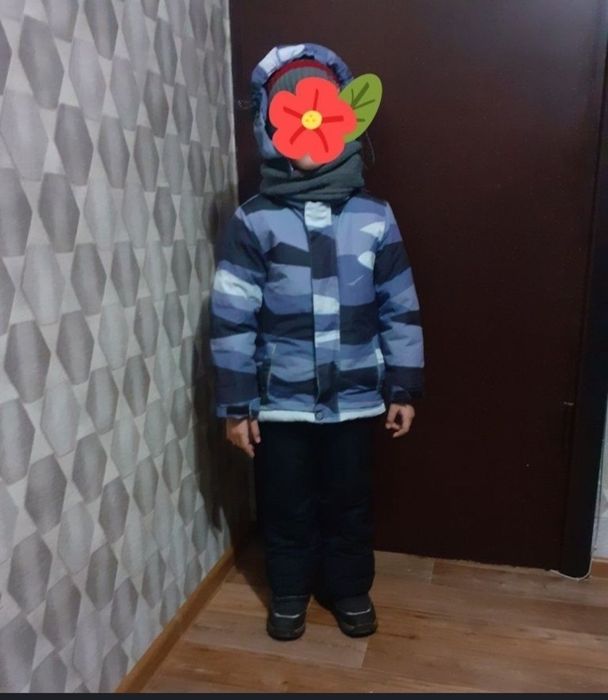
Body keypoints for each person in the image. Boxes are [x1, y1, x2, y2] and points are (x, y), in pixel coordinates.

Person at [209, 43, 425, 641]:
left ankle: (348, 587)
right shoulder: (254, 220)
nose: (307, 131)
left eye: (321, 114)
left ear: (344, 120)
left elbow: (400, 304)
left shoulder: (375, 216)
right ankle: (288, 588)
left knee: (349, 499)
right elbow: (232, 316)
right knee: (285, 501)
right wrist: (236, 405)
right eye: (290, 117)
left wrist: (403, 386)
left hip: (355, 397)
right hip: (280, 402)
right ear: (268, 127)